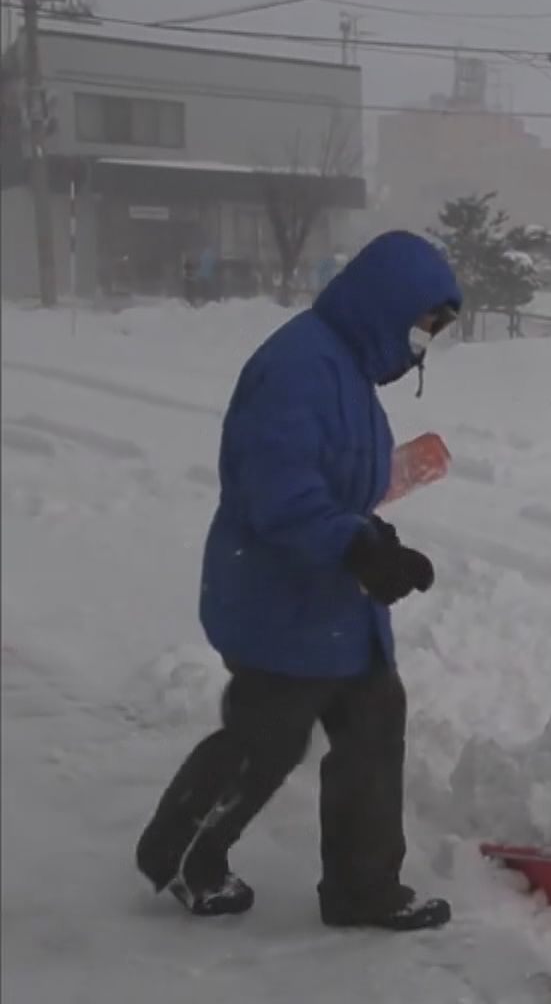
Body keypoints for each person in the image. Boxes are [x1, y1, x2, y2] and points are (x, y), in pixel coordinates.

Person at [135, 230, 462, 932]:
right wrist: (358, 544)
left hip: (338, 600)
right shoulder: (296, 368)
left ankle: (362, 890)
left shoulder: (347, 371)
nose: (420, 343)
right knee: (264, 742)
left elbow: (342, 478)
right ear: (386, 305)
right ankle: (184, 855)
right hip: (277, 603)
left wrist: (379, 540)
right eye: (420, 324)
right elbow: (278, 492)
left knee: (374, 729)